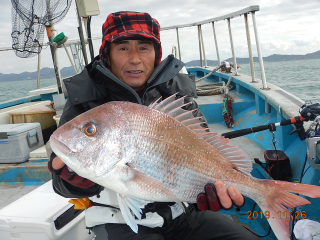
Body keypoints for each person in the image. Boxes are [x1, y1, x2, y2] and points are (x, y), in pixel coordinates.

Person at [48, 11, 260, 240]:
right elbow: (62, 186)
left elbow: (207, 148)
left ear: (156, 54)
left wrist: (213, 192)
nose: (135, 58)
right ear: (107, 54)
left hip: (184, 213)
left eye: (144, 47)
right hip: (117, 220)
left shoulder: (179, 97)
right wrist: (78, 184)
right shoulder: (84, 102)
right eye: (122, 48)